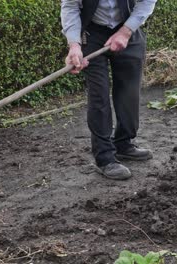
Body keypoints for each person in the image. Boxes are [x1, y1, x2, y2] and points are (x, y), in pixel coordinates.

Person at [61, 0, 157, 180]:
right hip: (92, 33)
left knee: (129, 92)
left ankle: (123, 143)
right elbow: (71, 6)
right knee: (99, 96)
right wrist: (74, 45)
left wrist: (126, 31)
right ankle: (105, 158)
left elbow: (147, 1)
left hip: (128, 26)